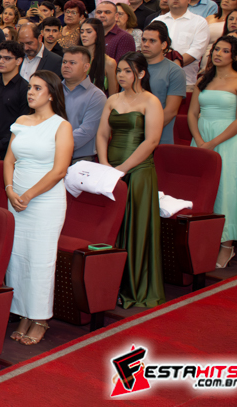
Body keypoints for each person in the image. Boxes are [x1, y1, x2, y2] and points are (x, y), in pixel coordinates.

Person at [4, 70, 73, 346]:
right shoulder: (21, 121)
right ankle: (24, 314)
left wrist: (29, 195)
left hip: (44, 203)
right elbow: (9, 160)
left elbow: (59, 170)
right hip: (16, 200)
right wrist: (10, 190)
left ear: (51, 94)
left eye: (37, 88)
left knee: (40, 260)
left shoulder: (61, 126)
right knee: (17, 259)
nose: (30, 92)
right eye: (30, 87)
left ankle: (40, 318)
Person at [95, 52, 166, 308]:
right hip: (111, 171)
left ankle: (134, 287)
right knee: (112, 228)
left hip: (138, 171)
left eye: (127, 71)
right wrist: (105, 165)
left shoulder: (151, 101)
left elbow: (152, 141)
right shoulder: (112, 99)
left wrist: (123, 169)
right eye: (119, 71)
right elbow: (102, 134)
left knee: (135, 228)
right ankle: (109, 286)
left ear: (141, 74)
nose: (121, 75)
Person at [188, 36, 237, 268]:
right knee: (203, 191)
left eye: (225, 51)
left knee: (227, 190)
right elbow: (192, 113)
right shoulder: (203, 79)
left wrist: (213, 142)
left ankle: (227, 246)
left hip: (230, 140)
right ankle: (204, 240)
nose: (218, 53)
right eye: (216, 49)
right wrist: (200, 140)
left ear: (235, 56)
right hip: (202, 137)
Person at [151, 0, 210, 87]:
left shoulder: (199, 22)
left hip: (185, 81)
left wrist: (169, 68)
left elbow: (196, 51)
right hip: (155, 79)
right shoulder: (157, 21)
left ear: (189, 0)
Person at [140, 23, 186, 146]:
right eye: (144, 40)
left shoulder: (175, 71)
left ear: (164, 45)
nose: (146, 44)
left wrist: (141, 132)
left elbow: (170, 111)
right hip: (129, 137)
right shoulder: (132, 67)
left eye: (152, 41)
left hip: (160, 139)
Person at [0, 40, 29, 162]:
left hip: (13, 148)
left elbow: (23, 125)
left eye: (7, 58)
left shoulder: (25, 89)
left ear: (19, 61)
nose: (1, 61)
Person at [60, 46, 107, 163]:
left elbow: (86, 132)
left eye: (72, 63)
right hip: (49, 157)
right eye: (64, 62)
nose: (66, 66)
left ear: (86, 67)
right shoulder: (53, 90)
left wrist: (54, 144)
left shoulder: (96, 96)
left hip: (80, 160)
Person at [81, 18, 117, 95]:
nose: (83, 35)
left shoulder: (109, 62)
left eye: (89, 32)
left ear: (98, 33)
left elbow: (113, 95)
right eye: (82, 32)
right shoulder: (76, 58)